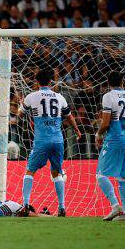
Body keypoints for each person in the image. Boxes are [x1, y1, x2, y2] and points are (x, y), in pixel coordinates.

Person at [18, 69, 81, 217]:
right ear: (51, 82)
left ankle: (26, 205)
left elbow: (20, 114)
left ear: (36, 81)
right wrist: (77, 130)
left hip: (42, 140)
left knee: (30, 171)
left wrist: (22, 105)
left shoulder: (32, 97)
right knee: (56, 172)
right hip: (58, 140)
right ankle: (62, 208)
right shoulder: (59, 97)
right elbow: (69, 117)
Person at [95, 71, 125, 222]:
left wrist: (98, 134)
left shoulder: (108, 96)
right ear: (122, 82)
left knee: (100, 174)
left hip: (113, 140)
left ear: (108, 81)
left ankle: (115, 205)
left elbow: (106, 122)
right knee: (122, 177)